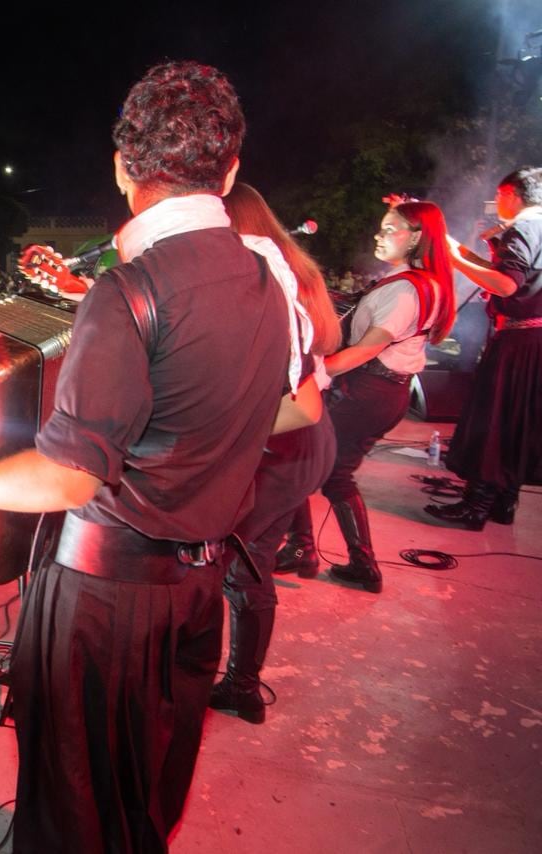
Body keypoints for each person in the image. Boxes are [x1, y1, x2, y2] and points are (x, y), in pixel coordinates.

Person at [0, 61, 289, 852]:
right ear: (230, 171)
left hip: (106, 600)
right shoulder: (264, 277)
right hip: (199, 588)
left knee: (75, 802)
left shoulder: (131, 293)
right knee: (148, 790)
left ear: (123, 168)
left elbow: (68, 475)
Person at [209, 183, 341, 724]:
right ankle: (243, 681)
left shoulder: (265, 286)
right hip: (306, 445)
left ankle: (242, 686)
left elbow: (299, 403)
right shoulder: (294, 271)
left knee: (243, 566)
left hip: (288, 442)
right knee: (253, 556)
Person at [277, 199, 455, 592]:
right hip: (385, 391)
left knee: (302, 459)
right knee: (317, 464)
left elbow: (366, 349)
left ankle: (318, 553)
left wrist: (316, 372)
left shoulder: (406, 290)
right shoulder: (423, 282)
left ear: (416, 238)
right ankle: (334, 557)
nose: (379, 235)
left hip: (370, 390)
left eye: (390, 228)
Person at [429, 167, 542, 529]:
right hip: (534, 341)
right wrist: (461, 250)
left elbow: (508, 286)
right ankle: (503, 503)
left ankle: (476, 505)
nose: (498, 204)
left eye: (500, 196)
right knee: (516, 423)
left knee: (493, 419)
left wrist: (455, 260)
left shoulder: (524, 228)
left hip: (518, 340)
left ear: (511, 193)